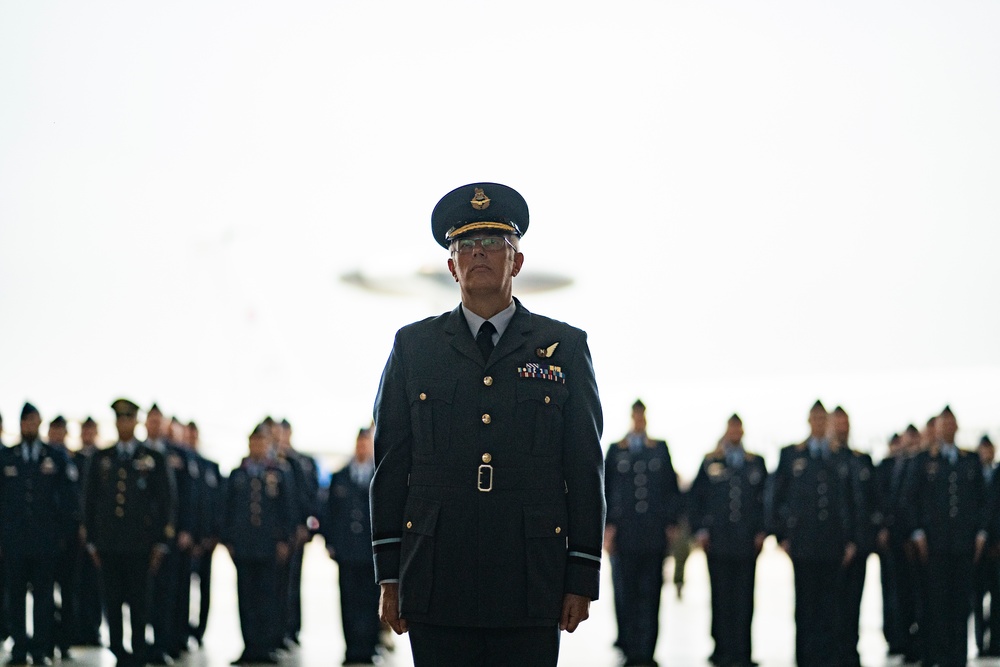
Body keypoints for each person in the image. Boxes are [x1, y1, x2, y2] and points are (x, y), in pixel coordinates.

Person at [370, 182, 605, 667]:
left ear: (516, 261)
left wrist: (581, 574)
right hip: (437, 573)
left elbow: (584, 467)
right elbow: (391, 467)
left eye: (495, 243)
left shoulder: (563, 347)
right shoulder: (414, 348)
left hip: (530, 576)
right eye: (465, 245)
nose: (479, 253)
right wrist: (389, 576)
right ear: (451, 265)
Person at [83, 398, 173, 667]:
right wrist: (91, 541)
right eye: (120, 419)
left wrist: (161, 542)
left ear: (136, 422)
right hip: (109, 544)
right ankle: (118, 649)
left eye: (129, 418)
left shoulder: (152, 458)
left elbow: (166, 501)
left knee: (139, 601)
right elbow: (90, 500)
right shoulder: (102, 458)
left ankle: (137, 650)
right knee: (111, 600)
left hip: (140, 545)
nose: (124, 424)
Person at [768, 400, 857, 667]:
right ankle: (806, 659)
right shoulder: (792, 455)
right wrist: (781, 535)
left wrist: (852, 538)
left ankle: (828, 659)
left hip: (833, 543)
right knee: (805, 605)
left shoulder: (839, 456)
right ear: (809, 421)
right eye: (815, 419)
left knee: (831, 607)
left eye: (823, 419)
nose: (819, 424)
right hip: (803, 543)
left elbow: (851, 501)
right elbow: (776, 496)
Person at [903, 405, 987, 667]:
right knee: (934, 603)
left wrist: (981, 533)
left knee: (961, 605)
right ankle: (933, 656)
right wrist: (917, 533)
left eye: (952, 423)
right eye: (943, 424)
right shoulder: (923, 460)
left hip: (963, 544)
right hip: (934, 545)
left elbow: (982, 500)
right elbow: (910, 498)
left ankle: (957, 658)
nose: (948, 428)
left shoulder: (969, 460)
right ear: (936, 429)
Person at [0, 403, 78, 666]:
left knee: (44, 597)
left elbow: (68, 499)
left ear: (40, 423)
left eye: (33, 421)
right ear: (20, 424)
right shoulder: (7, 457)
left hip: (46, 542)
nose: (29, 426)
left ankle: (41, 648)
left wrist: (64, 536)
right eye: (25, 422)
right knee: (16, 596)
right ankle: (20, 647)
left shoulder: (54, 457)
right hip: (14, 542)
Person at [604, 399, 680, 667]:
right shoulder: (616, 451)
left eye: (642, 415)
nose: (639, 419)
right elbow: (605, 490)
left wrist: (671, 524)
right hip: (624, 537)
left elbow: (672, 490)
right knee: (626, 595)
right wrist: (607, 529)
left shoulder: (658, 450)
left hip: (652, 536)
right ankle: (629, 646)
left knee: (650, 595)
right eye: (635, 415)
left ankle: (646, 651)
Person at [689, 414, 767, 667]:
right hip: (718, 542)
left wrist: (762, 531)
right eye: (731, 427)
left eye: (738, 427)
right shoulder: (711, 462)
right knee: (720, 597)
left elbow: (765, 500)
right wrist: (700, 530)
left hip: (746, 543)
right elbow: (695, 499)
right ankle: (721, 648)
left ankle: (743, 650)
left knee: (745, 597)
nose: (735, 432)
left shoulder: (755, 463)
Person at [222, 423, 296, 666]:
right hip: (244, 547)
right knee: (246, 598)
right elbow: (228, 511)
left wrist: (285, 540)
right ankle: (249, 645)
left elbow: (288, 510)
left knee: (268, 597)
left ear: (269, 444)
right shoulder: (238, 474)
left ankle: (265, 646)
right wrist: (229, 541)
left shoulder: (279, 472)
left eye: (262, 442)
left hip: (269, 546)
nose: (257, 446)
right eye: (254, 442)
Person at [322, 427, 381, 666]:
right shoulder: (341, 476)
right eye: (359, 443)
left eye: (366, 443)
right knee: (348, 601)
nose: (362, 448)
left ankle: (368, 648)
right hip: (347, 551)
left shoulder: (379, 476)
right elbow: (329, 513)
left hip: (370, 553)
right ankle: (352, 648)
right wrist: (330, 542)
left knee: (370, 601)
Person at [72, 416, 104, 648]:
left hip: (96, 532)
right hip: (74, 533)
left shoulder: (103, 459)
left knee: (95, 585)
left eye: (92, 430)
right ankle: (76, 628)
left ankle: (92, 629)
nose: (88, 434)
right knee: (76, 583)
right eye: (85, 430)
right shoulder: (73, 459)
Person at [974, 435, 1000, 656]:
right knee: (976, 597)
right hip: (975, 548)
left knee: (998, 597)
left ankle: (996, 642)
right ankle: (980, 641)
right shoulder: (970, 473)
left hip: (996, 547)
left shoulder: (997, 473)